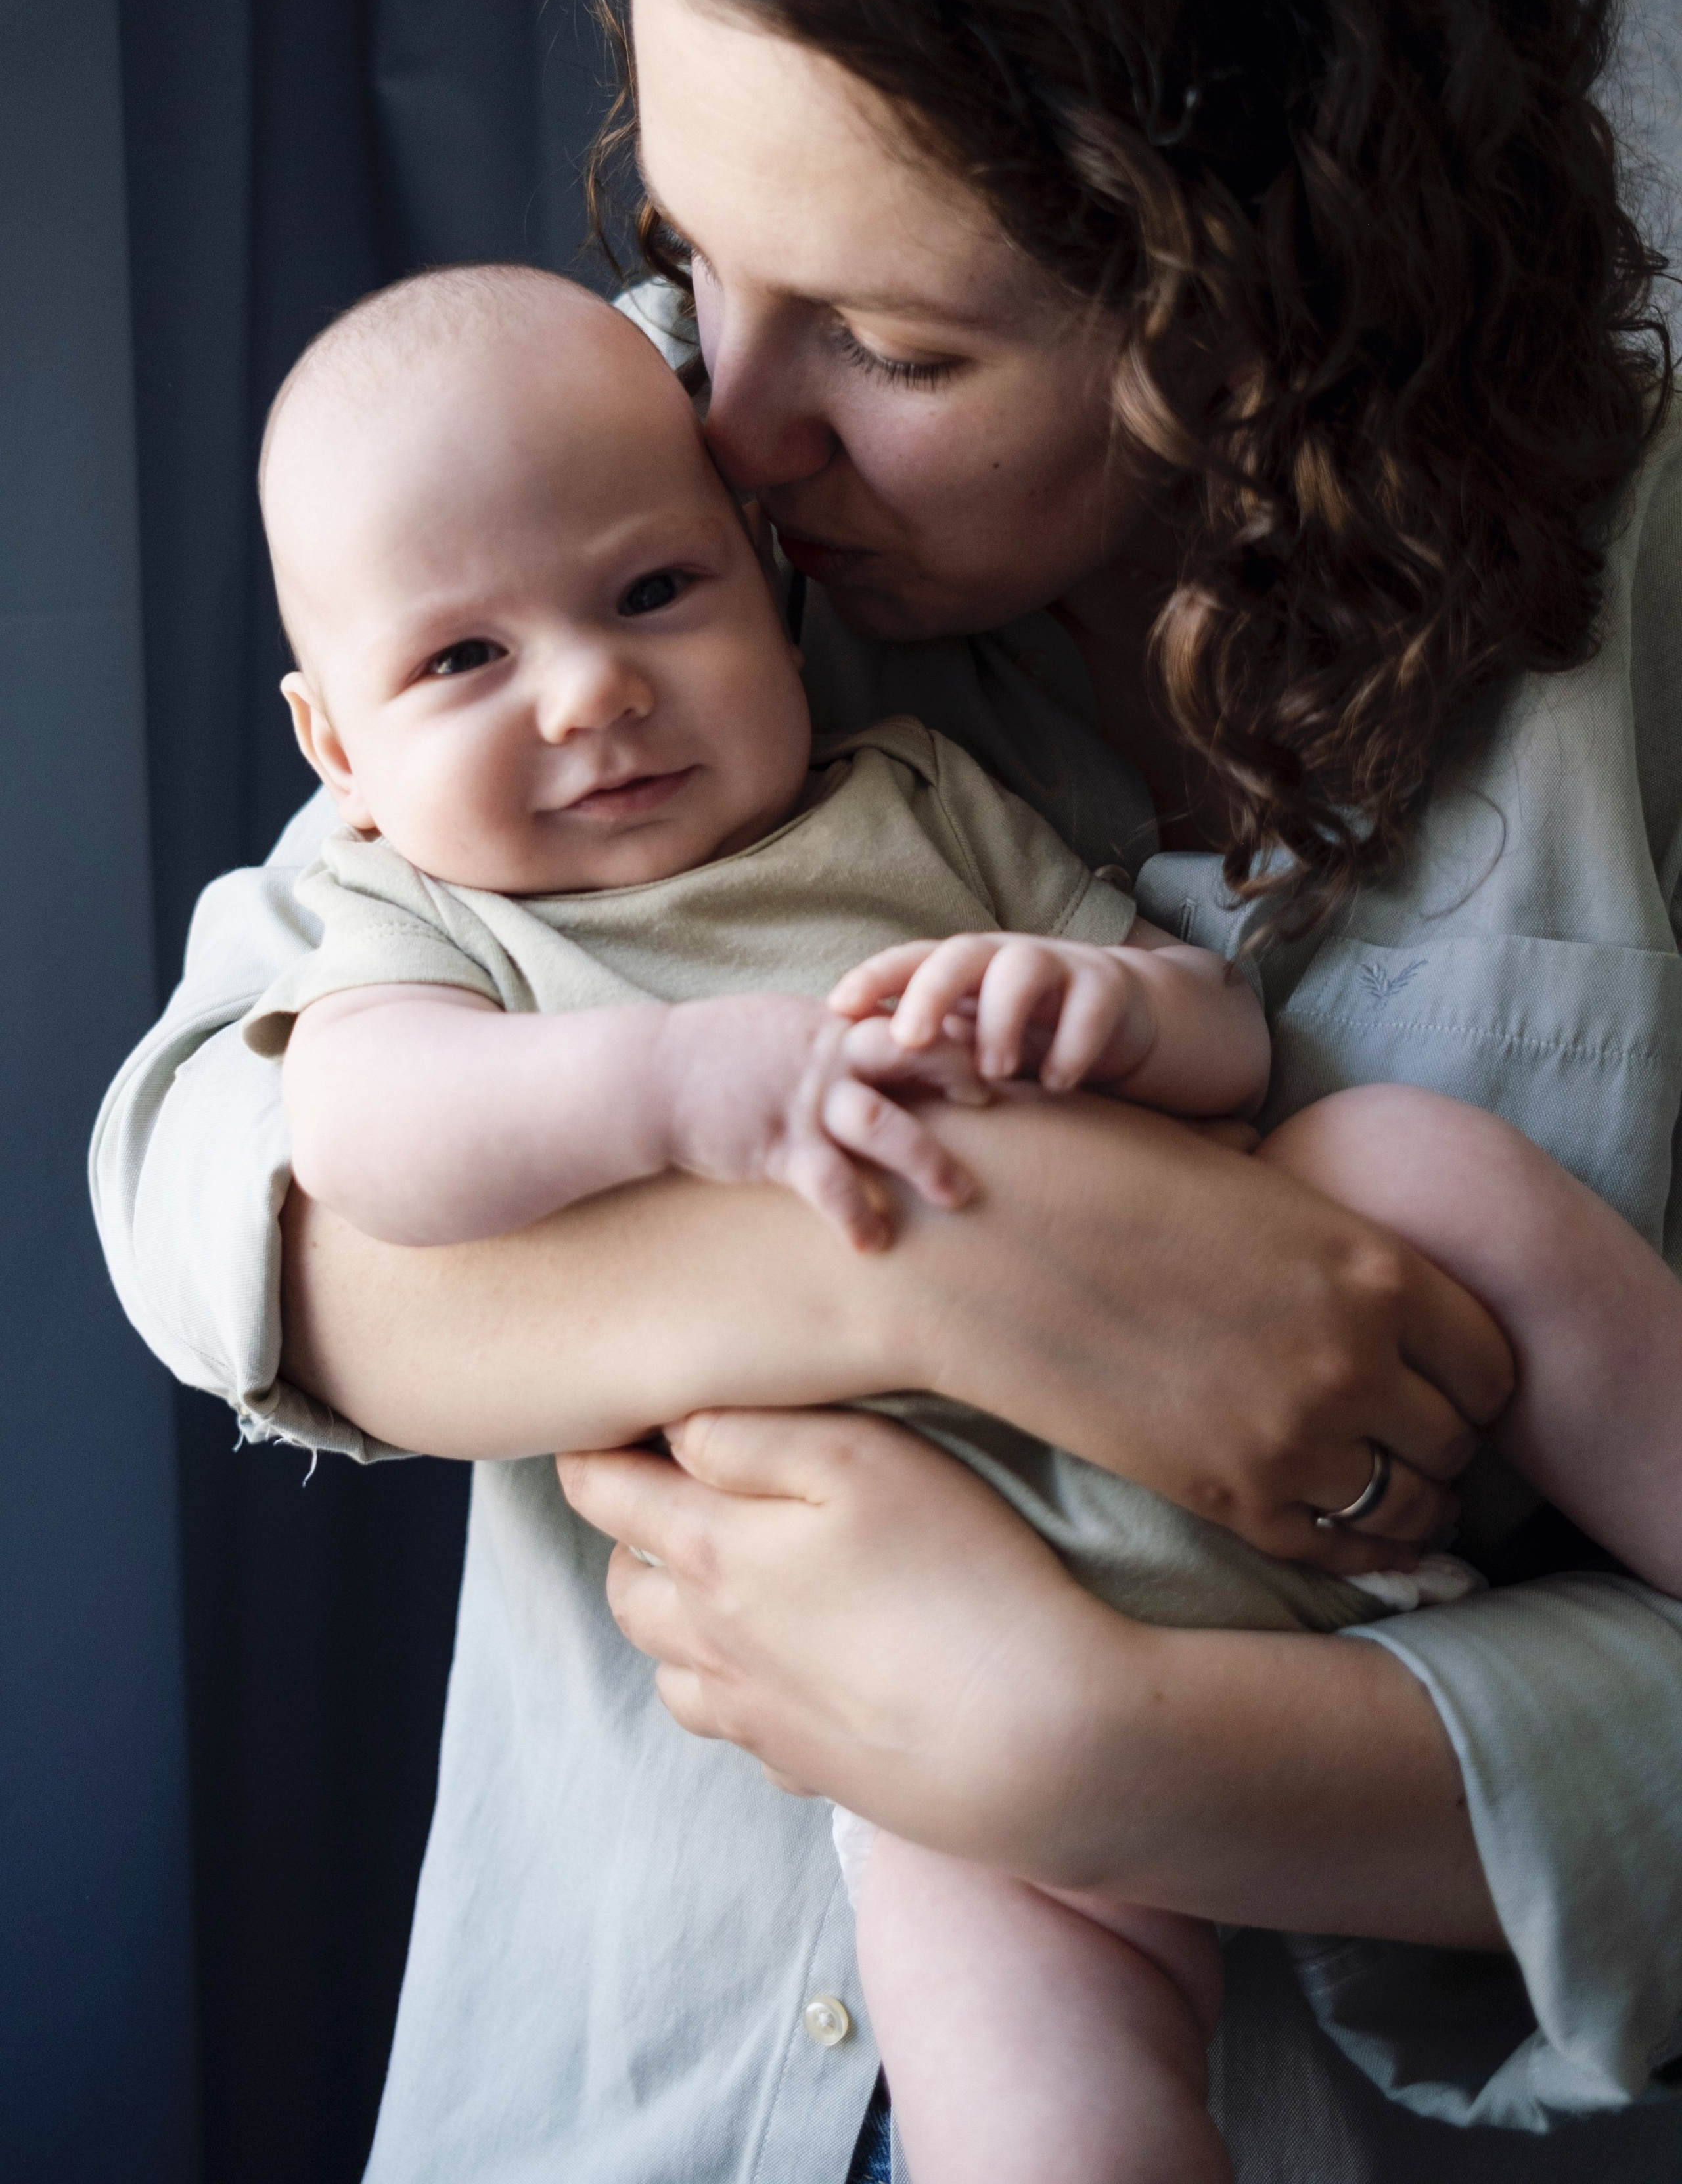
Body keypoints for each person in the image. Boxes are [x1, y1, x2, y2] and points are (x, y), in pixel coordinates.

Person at [91, 0, 1682, 2177]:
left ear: (1272, 297)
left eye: (900, 343)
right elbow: (220, 1174)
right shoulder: (600, 495)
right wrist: (926, 1266)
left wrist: (1125, 1756)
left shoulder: (1644, 622)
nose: (730, 426)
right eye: (691, 252)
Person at [244, 257, 1682, 2184]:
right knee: (1041, 2098)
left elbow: (1220, 1040)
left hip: (1294, 1575)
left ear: (765, 575)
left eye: (657, 593)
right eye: (461, 664)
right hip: (927, 1672)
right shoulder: (422, 912)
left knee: (1416, 1160)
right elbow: (355, 1142)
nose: (591, 690)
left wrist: (1112, 1006)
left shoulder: (904, 788)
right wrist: (679, 1090)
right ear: (335, 747)